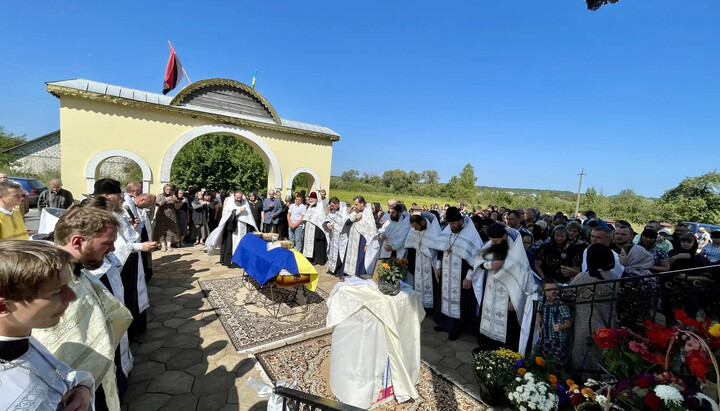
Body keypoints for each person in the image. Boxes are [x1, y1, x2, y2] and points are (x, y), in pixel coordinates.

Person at [34, 204, 133, 411]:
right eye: (107, 243)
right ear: (78, 241)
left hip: (88, 383)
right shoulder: (40, 281)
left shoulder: (75, 269)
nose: (113, 250)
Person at [0, 241, 94, 411]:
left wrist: (82, 389)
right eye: (56, 291)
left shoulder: (21, 335)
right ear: (3, 307)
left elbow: (56, 374)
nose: (72, 297)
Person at [474, 223, 536, 350]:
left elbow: (523, 277)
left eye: (496, 241)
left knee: (507, 327)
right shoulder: (490, 245)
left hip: (508, 296)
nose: (493, 244)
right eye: (491, 241)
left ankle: (503, 353)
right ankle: (486, 347)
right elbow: (478, 263)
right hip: (490, 291)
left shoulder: (516, 252)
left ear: (504, 236)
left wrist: (514, 299)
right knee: (487, 318)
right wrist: (490, 264)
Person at [433, 207, 482, 341]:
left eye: (454, 223)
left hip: (462, 275)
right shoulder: (448, 230)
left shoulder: (471, 234)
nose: (451, 226)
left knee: (460, 302)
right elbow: (440, 249)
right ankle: (444, 323)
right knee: (444, 296)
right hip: (446, 272)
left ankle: (457, 328)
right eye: (449, 224)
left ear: (461, 220)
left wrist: (469, 278)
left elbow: (476, 259)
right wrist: (438, 267)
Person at [569, 243, 617, 378]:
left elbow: (567, 294)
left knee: (582, 357)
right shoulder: (613, 276)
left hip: (585, 323)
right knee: (602, 357)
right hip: (606, 322)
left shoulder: (584, 277)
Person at [206, 190, 258, 266]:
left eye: (240, 198)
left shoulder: (245, 203)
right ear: (234, 196)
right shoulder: (230, 203)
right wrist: (238, 211)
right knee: (233, 244)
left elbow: (249, 216)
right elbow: (227, 215)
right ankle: (232, 260)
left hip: (243, 227)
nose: (238, 199)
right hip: (232, 228)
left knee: (242, 242)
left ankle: (242, 260)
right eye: (237, 197)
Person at [405, 213, 442, 309]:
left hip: (429, 262)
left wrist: (425, 250)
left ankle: (430, 307)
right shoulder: (414, 229)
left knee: (430, 284)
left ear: (422, 222)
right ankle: (420, 304)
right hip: (418, 260)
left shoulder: (433, 230)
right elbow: (410, 242)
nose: (415, 229)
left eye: (416, 227)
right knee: (418, 282)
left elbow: (437, 246)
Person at [616, 244, 656, 331]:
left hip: (630, 318)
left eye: (622, 254)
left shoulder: (630, 277)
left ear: (633, 257)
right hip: (646, 317)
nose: (619, 256)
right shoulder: (648, 273)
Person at [366, 203, 411, 274]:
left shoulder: (404, 224)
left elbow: (403, 238)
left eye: (393, 213)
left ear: (399, 213)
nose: (391, 214)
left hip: (395, 252)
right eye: (390, 212)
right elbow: (382, 230)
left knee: (393, 272)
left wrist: (393, 247)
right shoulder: (390, 220)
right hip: (385, 250)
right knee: (383, 270)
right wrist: (382, 235)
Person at [535, 278, 572, 364]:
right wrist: (540, 323)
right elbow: (538, 314)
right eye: (549, 290)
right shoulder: (542, 301)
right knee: (543, 358)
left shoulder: (561, 305)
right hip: (545, 336)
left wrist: (561, 326)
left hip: (557, 339)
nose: (553, 292)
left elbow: (568, 323)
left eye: (555, 289)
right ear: (544, 291)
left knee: (556, 361)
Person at [343, 196, 377, 277]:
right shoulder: (355, 212)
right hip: (352, 239)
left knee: (360, 259)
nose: (354, 206)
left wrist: (368, 244)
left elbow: (371, 230)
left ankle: (358, 276)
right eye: (354, 204)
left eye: (356, 204)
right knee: (350, 257)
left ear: (362, 203)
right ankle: (348, 273)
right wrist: (355, 217)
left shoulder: (368, 213)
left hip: (362, 240)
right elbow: (346, 222)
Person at [324, 197, 350, 276]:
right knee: (332, 252)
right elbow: (327, 218)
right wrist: (328, 224)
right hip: (333, 236)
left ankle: (339, 270)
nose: (331, 207)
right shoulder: (332, 211)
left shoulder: (344, 211)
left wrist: (336, 226)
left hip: (341, 237)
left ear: (337, 204)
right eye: (330, 206)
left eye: (332, 206)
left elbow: (345, 222)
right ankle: (332, 269)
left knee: (339, 254)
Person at [302, 192, 329, 265]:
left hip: (315, 229)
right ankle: (308, 257)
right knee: (307, 243)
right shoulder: (309, 207)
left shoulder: (319, 208)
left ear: (316, 199)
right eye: (310, 199)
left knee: (315, 244)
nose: (310, 200)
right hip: (308, 228)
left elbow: (320, 219)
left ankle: (315, 259)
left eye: (312, 199)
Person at [154, 184, 181, 251]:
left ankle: (169, 245)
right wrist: (165, 199)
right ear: (164, 189)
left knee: (171, 230)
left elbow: (177, 207)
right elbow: (157, 204)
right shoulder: (160, 195)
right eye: (167, 189)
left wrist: (176, 201)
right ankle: (163, 245)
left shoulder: (173, 195)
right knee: (162, 230)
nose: (168, 191)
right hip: (162, 214)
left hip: (172, 215)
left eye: (169, 189)